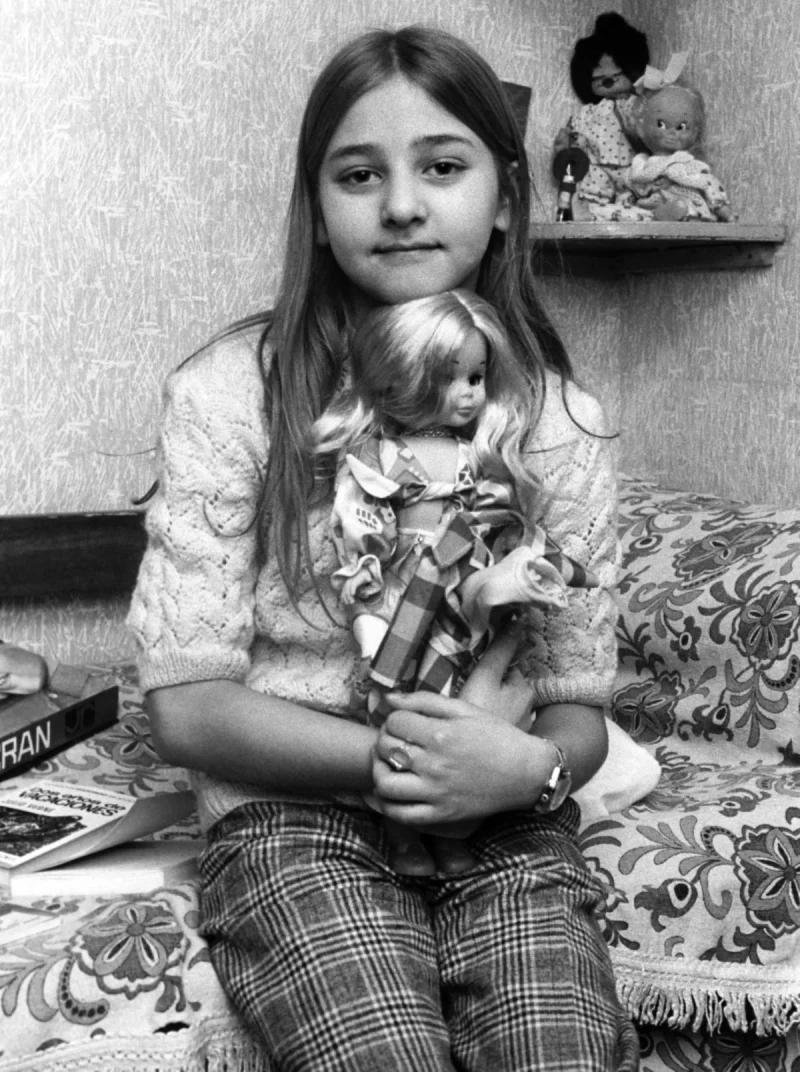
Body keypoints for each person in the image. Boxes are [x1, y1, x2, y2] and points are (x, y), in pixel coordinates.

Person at [127, 24, 639, 1072]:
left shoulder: (560, 422)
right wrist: (404, 764)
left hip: (505, 825)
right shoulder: (232, 395)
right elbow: (185, 704)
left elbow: (577, 708)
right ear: (318, 210)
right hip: (295, 824)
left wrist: (528, 772)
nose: (401, 204)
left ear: (501, 197)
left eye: (441, 167)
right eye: (359, 174)